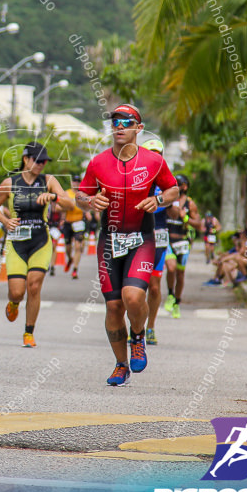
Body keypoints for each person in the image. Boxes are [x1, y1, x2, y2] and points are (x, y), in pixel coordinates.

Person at [76, 104, 178, 386]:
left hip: (141, 238)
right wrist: (89, 201)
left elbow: (173, 189)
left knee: (133, 297)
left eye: (126, 121)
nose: (119, 126)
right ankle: (121, 365)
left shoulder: (153, 161)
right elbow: (81, 196)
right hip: (109, 241)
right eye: (115, 121)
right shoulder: (97, 162)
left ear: (138, 128)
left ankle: (138, 337)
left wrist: (158, 200)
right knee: (113, 307)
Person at [0, 142, 73, 348]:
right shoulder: (10, 183)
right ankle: (14, 303)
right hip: (17, 242)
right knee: (17, 291)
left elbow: (70, 205)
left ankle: (29, 332)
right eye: (37, 160)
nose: (41, 165)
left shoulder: (48, 181)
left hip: (40, 240)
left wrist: (54, 197)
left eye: (44, 161)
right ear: (25, 159)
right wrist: (6, 221)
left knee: (34, 286)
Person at [139, 138, 168, 345]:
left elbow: (174, 203)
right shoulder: (137, 178)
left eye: (159, 153)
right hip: (139, 236)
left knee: (155, 288)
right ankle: (135, 325)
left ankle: (151, 327)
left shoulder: (166, 180)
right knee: (136, 287)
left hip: (159, 237)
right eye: (152, 153)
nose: (156, 157)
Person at [163, 174, 202, 319]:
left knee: (180, 274)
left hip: (183, 241)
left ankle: (177, 303)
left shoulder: (190, 204)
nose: (176, 185)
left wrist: (185, 217)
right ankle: (170, 294)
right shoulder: (168, 200)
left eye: (178, 183)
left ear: (185, 186)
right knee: (171, 268)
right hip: (168, 240)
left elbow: (199, 224)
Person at [61, 174, 88, 280]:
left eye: (78, 182)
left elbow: (87, 206)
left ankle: (75, 270)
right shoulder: (66, 193)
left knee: (77, 247)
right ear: (72, 182)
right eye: (74, 181)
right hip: (68, 222)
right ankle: (70, 259)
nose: (76, 183)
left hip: (79, 222)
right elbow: (59, 207)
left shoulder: (82, 194)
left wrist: (88, 211)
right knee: (68, 247)